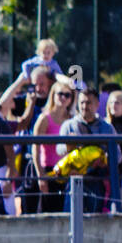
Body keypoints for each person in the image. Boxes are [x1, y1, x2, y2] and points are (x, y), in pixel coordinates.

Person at [58, 87, 119, 213]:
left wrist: (105, 160)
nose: (85, 106)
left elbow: (118, 155)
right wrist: (68, 147)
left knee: (95, 218)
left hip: (97, 180)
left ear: (97, 104)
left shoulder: (107, 128)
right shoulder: (69, 125)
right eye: (82, 102)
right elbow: (58, 149)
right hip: (74, 178)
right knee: (70, 216)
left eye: (88, 102)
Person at [29, 80, 76, 213]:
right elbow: (35, 148)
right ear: (53, 95)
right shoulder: (44, 118)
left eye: (68, 95)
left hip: (67, 171)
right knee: (46, 211)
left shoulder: (73, 119)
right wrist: (41, 176)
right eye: (60, 94)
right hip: (48, 171)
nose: (64, 98)